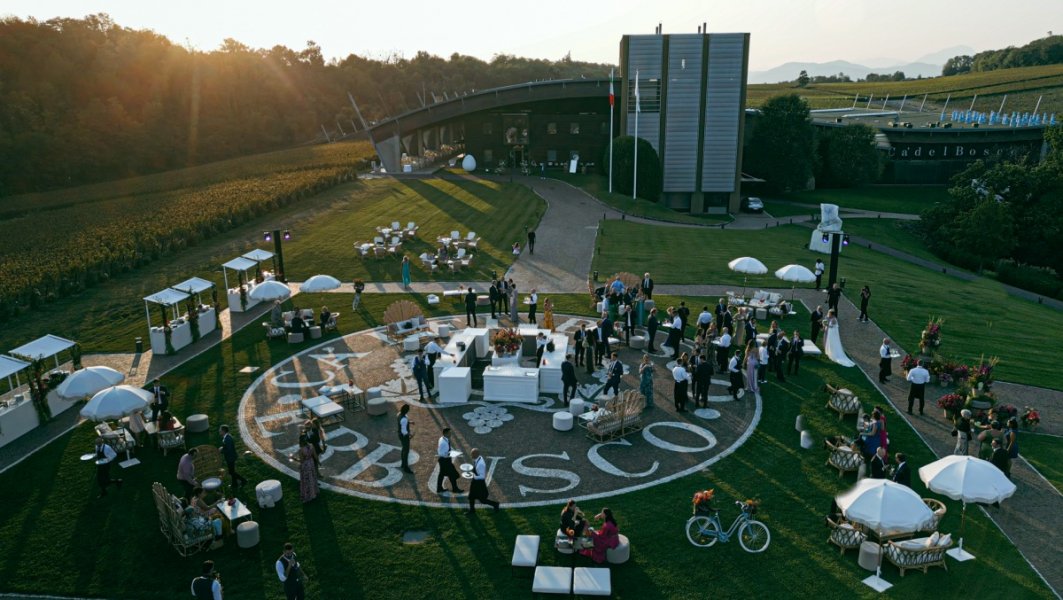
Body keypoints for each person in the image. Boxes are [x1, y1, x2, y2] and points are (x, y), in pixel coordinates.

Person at [467, 448, 499, 513]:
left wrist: (473, 476)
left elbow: (482, 476)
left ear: (476, 454)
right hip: (475, 482)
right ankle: (472, 510)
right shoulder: (478, 459)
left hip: (479, 484)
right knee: (471, 497)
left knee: (482, 500)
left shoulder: (481, 464)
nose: (471, 455)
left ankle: (495, 504)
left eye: (472, 454)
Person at [218, 425, 248, 489]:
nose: (219, 431)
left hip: (230, 458)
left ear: (223, 431)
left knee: (231, 472)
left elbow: (228, 449)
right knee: (232, 471)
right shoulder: (226, 437)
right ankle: (234, 484)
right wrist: (223, 447)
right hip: (230, 457)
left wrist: (221, 450)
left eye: (220, 430)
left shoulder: (227, 439)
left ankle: (243, 480)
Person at [436, 427, 463, 494]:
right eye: (449, 433)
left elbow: (448, 448)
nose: (451, 434)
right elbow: (442, 454)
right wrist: (452, 454)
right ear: (446, 433)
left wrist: (454, 451)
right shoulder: (444, 443)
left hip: (443, 461)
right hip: (445, 461)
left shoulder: (443, 439)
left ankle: (439, 488)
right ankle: (455, 489)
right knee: (452, 474)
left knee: (442, 474)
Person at [297, 435, 318, 502]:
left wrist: (294, 459)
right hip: (311, 463)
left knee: (306, 480)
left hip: (305, 465)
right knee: (312, 477)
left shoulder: (301, 450)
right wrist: (319, 462)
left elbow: (302, 460)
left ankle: (308, 495)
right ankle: (314, 492)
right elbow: (315, 456)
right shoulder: (311, 445)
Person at [398, 404, 413, 474]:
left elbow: (402, 423)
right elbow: (404, 431)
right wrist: (410, 434)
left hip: (400, 435)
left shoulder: (399, 415)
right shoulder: (404, 418)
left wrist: (409, 422)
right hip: (404, 437)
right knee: (406, 451)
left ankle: (403, 464)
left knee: (404, 449)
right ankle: (405, 467)